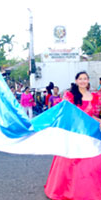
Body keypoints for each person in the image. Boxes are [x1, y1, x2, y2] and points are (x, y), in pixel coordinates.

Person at [44, 71, 101, 200]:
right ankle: (70, 190)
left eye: (85, 79)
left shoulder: (94, 96)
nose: (83, 81)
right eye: (80, 79)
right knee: (71, 162)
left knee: (93, 163)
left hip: (90, 134)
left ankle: (91, 190)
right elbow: (67, 114)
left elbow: (93, 115)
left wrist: (99, 121)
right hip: (75, 133)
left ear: (88, 81)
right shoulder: (70, 96)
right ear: (76, 81)